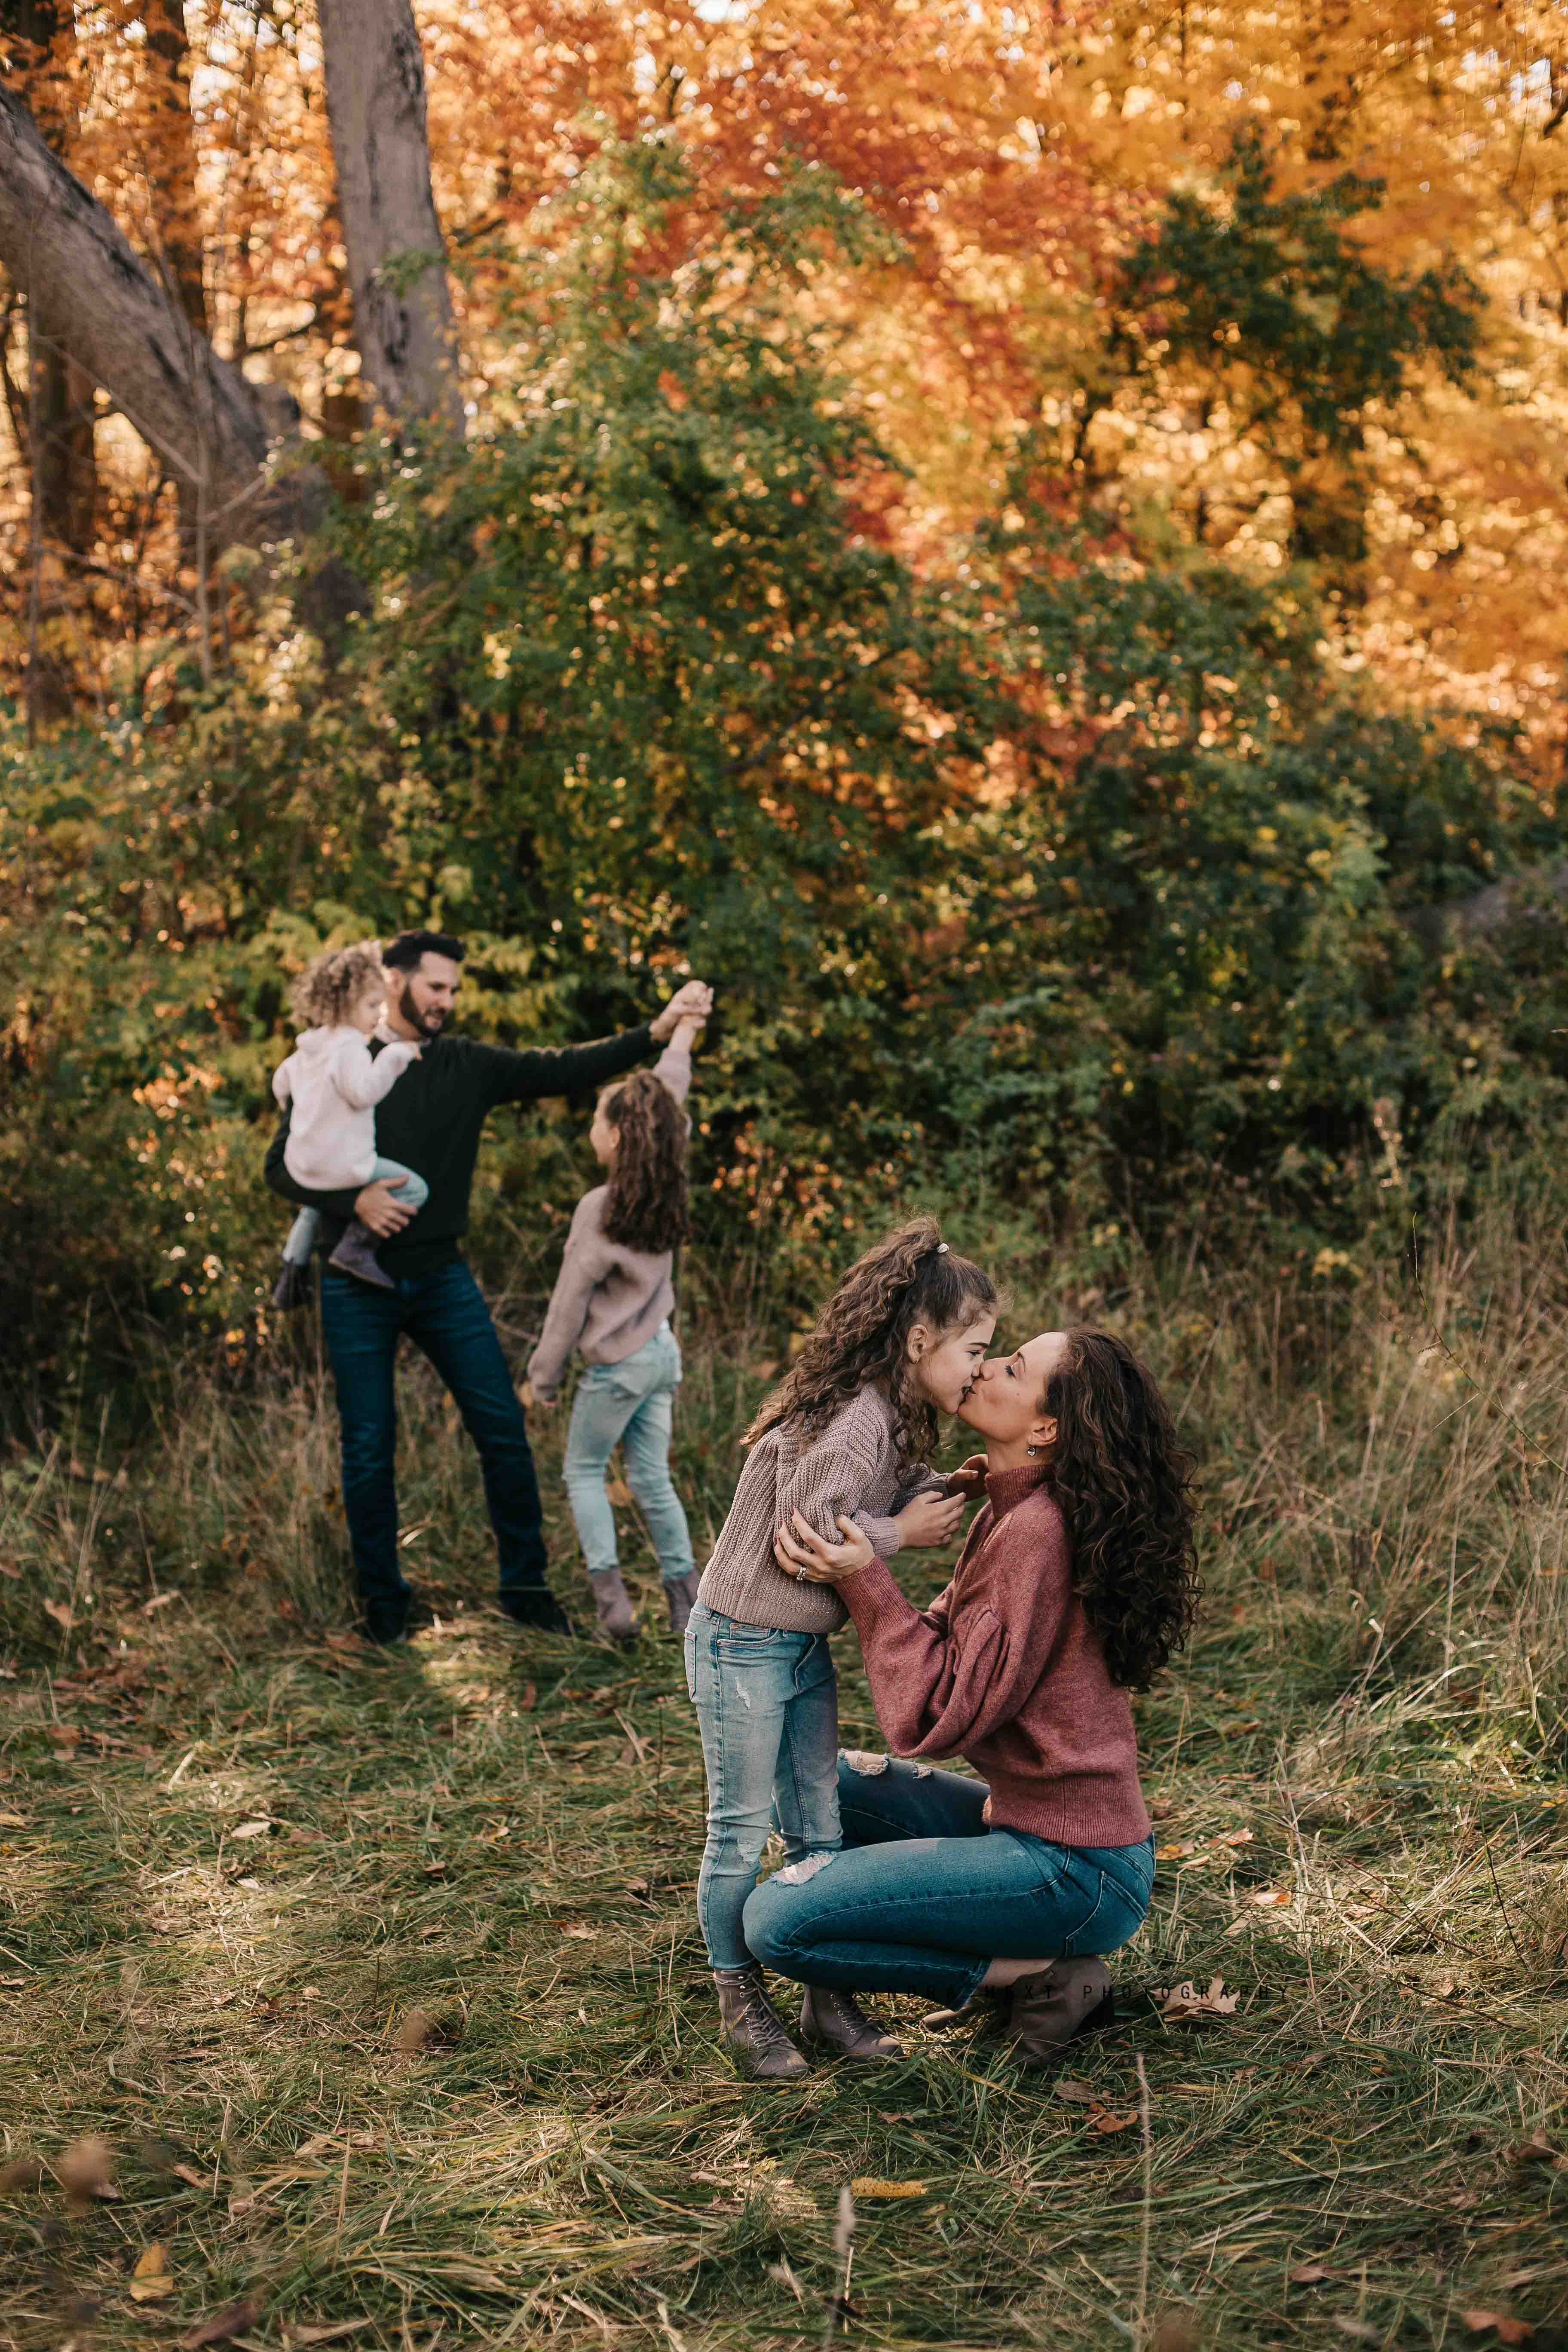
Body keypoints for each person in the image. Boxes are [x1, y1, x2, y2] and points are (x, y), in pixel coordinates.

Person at [755, 1325, 1199, 2066]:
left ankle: (1040, 1975)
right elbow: (946, 1636)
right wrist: (898, 1532)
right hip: (1033, 1829)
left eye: (1012, 1366)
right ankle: (1000, 1950)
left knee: (776, 1922)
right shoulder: (1011, 1508)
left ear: (1047, 1425)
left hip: (1075, 1869)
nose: (986, 1366)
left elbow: (934, 1711)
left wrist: (863, 1579)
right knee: (810, 1783)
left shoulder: (1036, 1532)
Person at [263, 926, 714, 1643]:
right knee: (369, 1444)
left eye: (454, 990)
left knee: (502, 1432)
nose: (447, 1001)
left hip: (442, 1274)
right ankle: (385, 1612)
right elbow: (280, 1166)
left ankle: (526, 1593)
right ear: (395, 980)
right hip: (356, 1281)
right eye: (436, 986)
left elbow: (564, 1068)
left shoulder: (466, 1065)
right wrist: (357, 1203)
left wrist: (656, 1031)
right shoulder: (345, 1059)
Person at [685, 1219, 995, 2081]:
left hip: (796, 1650)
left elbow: (873, 1498)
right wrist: (904, 1530)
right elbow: (806, 1535)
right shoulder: (858, 1417)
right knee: (741, 1831)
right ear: (922, 1336)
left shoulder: (893, 1418)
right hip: (740, 1644)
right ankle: (742, 2002)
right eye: (975, 1347)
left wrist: (941, 1488)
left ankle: (825, 1993)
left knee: (819, 1824)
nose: (978, 1367)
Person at [524, 1013, 704, 1644]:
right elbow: (670, 1091)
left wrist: (543, 1379)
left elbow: (567, 1306)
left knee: (584, 1471)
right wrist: (682, 1032)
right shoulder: (667, 1179)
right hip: (661, 1355)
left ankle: (613, 1606)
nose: (592, 1130)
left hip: (617, 1367)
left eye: (600, 1121)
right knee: (653, 1478)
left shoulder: (599, 1209)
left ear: (619, 1137)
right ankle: (687, 1603)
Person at [270, 940, 429, 1305]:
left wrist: (303, 1112)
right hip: (345, 1167)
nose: (381, 1015)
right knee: (416, 1188)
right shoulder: (351, 1047)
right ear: (345, 1004)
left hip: (304, 1164)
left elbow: (281, 1083)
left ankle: (291, 1272)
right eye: (373, 1006)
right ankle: (355, 1249)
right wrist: (394, 1056)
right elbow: (364, 1092)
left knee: (315, 1205)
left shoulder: (309, 1046)